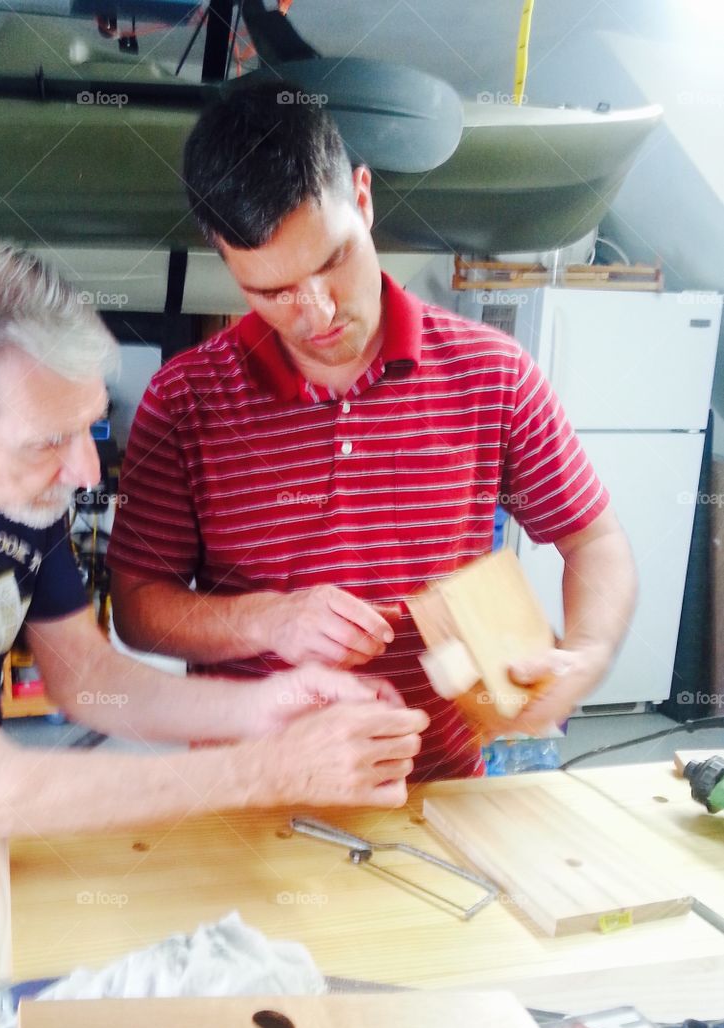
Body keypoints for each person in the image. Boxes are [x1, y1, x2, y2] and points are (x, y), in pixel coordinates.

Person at [0, 221, 428, 835]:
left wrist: (269, 706)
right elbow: (2, 790)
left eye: (88, 425)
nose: (84, 471)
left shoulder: (19, 473)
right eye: (50, 440)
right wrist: (273, 770)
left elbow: (88, 678)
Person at [108, 84, 637, 780]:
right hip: (248, 788)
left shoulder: (491, 373)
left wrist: (588, 652)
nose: (317, 312)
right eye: (272, 292)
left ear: (361, 197)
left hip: (435, 783)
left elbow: (593, 540)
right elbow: (138, 607)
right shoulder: (184, 402)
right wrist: (267, 620)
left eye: (331, 260)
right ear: (226, 263)